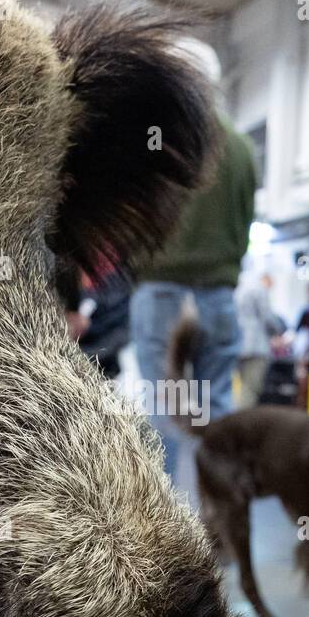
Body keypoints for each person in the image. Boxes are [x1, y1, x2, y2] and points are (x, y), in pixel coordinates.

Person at [130, 39, 257, 479]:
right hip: (219, 295)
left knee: (163, 406)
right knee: (216, 405)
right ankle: (220, 520)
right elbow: (245, 225)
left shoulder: (160, 141)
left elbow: (136, 219)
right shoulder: (242, 147)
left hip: (162, 290)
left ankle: (159, 527)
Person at [237, 274, 281, 409]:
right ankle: (241, 426)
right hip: (256, 348)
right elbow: (267, 318)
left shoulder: (240, 289)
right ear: (267, 281)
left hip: (239, 345)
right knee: (251, 389)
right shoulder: (260, 290)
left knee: (241, 387)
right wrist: (280, 330)